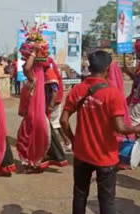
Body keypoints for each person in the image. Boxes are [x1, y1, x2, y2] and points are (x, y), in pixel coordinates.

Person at [60, 50, 140, 214]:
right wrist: (137, 129)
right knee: (107, 201)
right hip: (106, 156)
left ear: (90, 68)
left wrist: (73, 140)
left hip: (82, 153)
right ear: (108, 68)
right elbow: (120, 128)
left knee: (80, 195)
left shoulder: (78, 89)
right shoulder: (112, 93)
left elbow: (63, 120)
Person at [17, 46, 68, 172]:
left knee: (34, 138)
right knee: (28, 137)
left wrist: (33, 51)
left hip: (38, 111)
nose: (25, 63)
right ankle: (33, 162)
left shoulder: (35, 77)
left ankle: (35, 163)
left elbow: (54, 90)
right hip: (32, 111)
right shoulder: (35, 76)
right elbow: (26, 67)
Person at [124, 40, 140, 125]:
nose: (136, 54)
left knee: (133, 123)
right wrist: (129, 73)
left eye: (137, 52)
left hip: (138, 102)